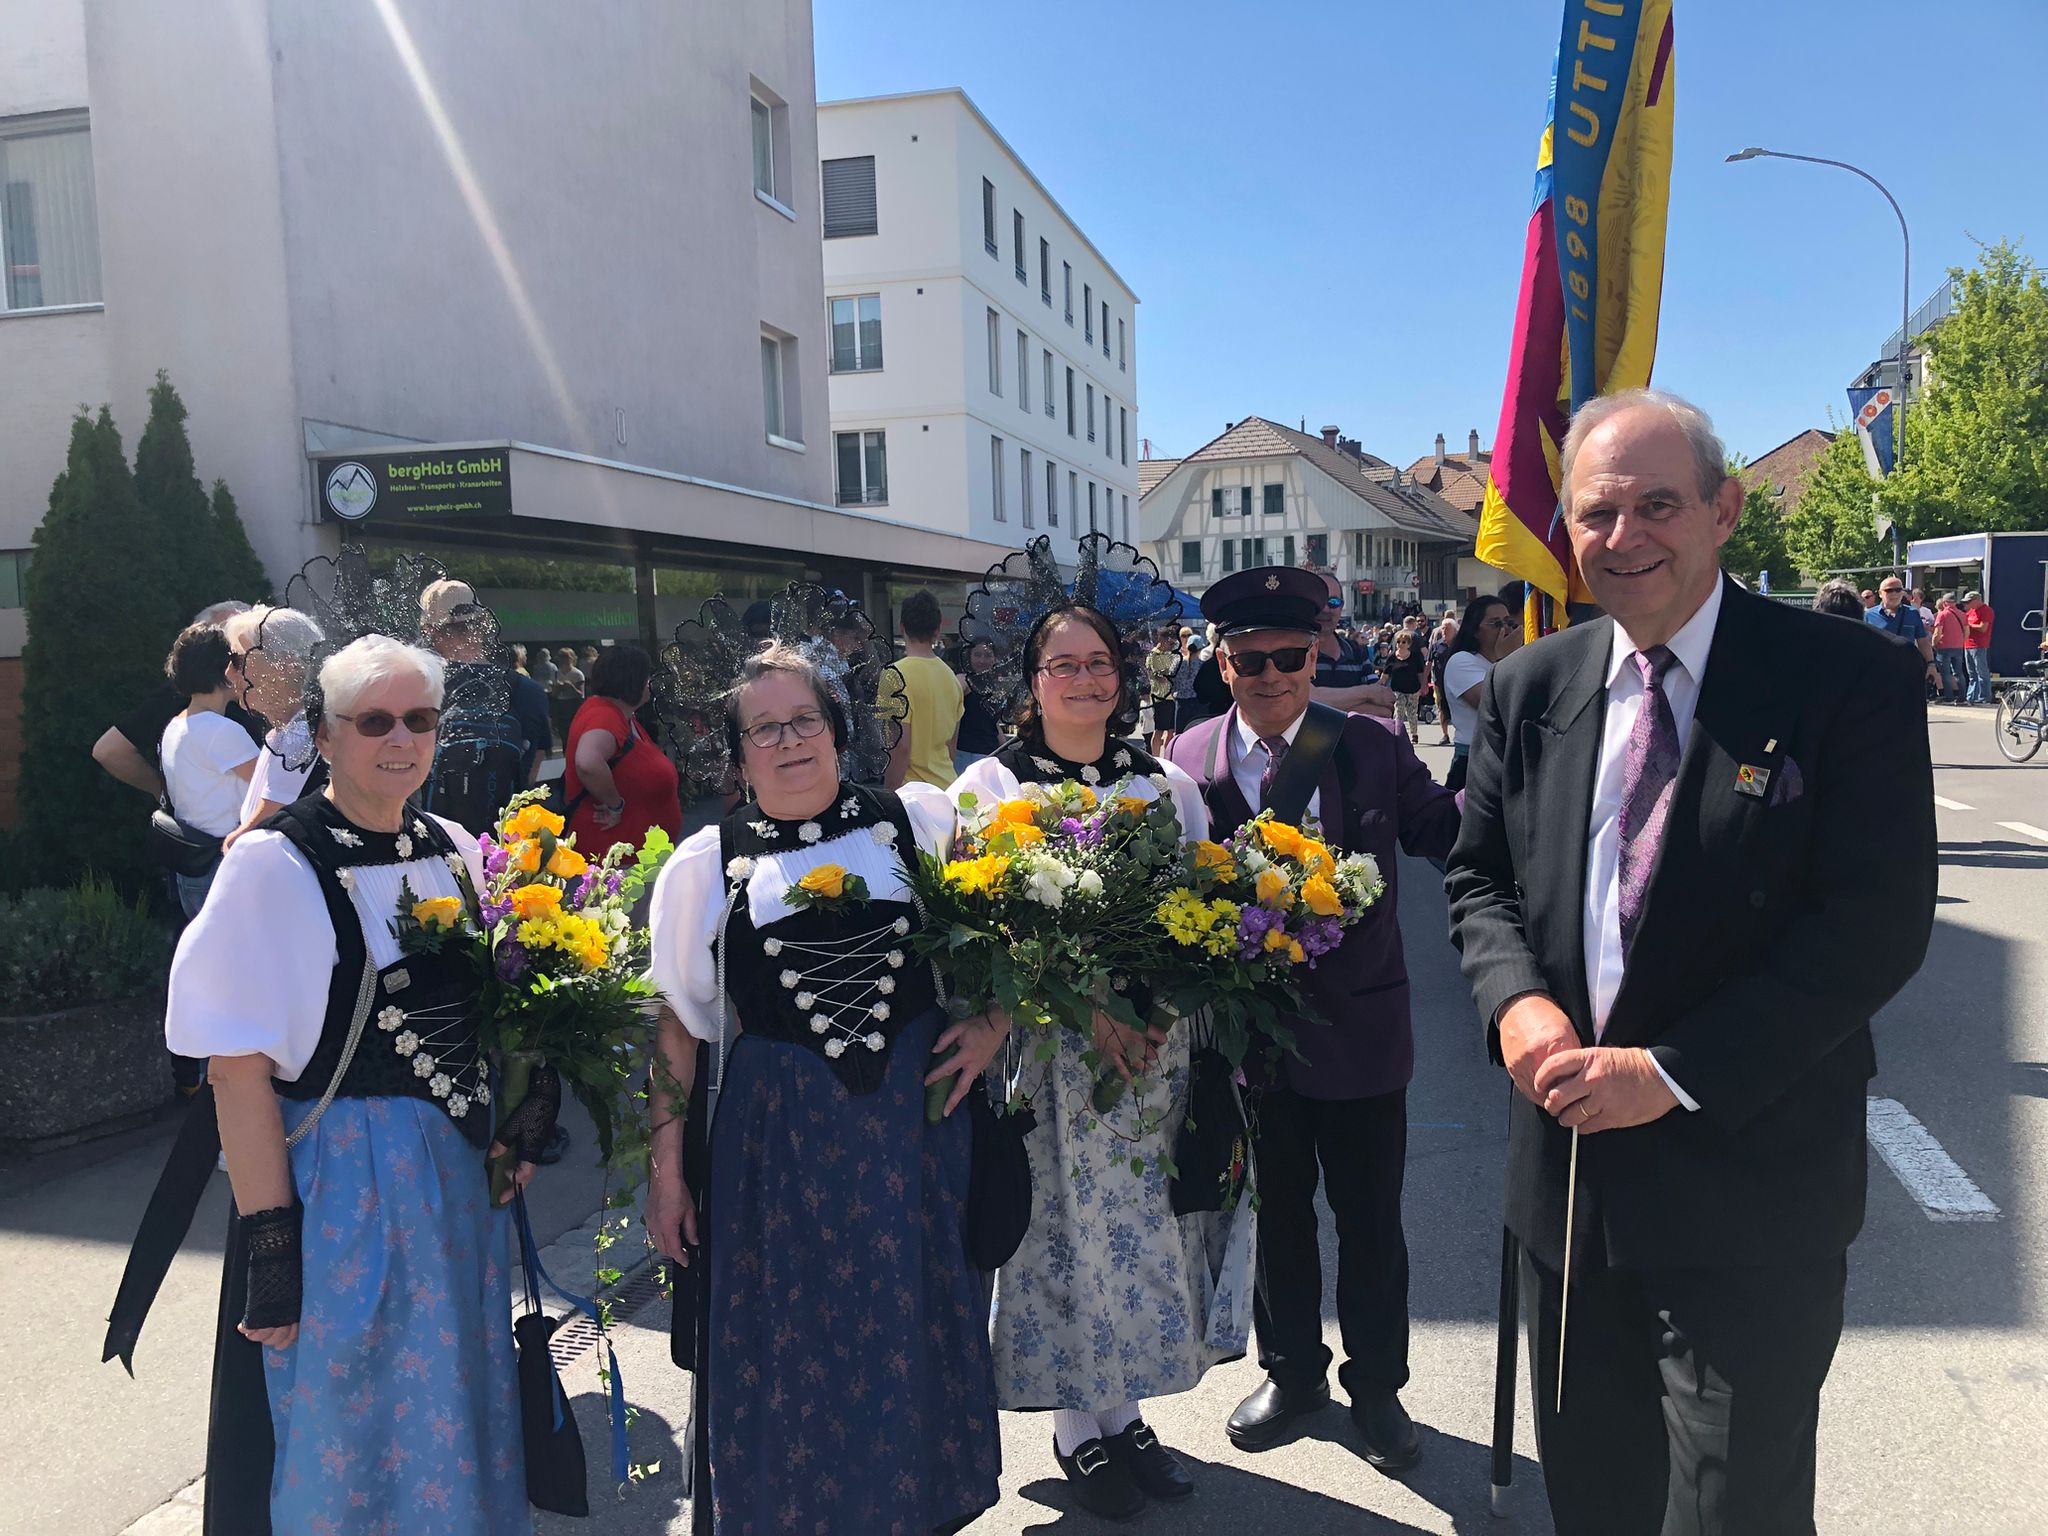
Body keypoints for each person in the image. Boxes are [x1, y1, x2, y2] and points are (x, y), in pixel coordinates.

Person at [1445, 387, 1935, 1536]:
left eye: (1655, 505)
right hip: (1568, 1190)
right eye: (1596, 514)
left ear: (1721, 511)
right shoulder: (1530, 688)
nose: (1623, 539)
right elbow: (1478, 881)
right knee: (1597, 1505)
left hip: (1749, 1188)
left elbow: (1873, 923)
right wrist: (1513, 1003)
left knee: (1735, 1514)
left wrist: (1666, 1073)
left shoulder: (1842, 682)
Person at [106, 633, 559, 1535]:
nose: (401, 739)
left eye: (419, 719)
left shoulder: (453, 847)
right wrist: (273, 1252)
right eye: (374, 721)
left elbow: (495, 1017)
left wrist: (526, 1114)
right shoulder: (275, 864)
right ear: (323, 731)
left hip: (453, 1195)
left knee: (452, 1408)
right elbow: (235, 1072)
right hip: (343, 1191)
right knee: (347, 1423)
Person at [643, 642, 1002, 1535]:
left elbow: (1000, 946)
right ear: (739, 754)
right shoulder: (703, 865)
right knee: (792, 1354)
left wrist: (994, 1024)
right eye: (763, 727)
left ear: (839, 732)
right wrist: (666, 1172)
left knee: (910, 1333)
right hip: (779, 1153)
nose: (789, 739)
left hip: (910, 1141)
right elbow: (679, 1029)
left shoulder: (919, 821)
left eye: (805, 719)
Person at [953, 536, 1248, 1519]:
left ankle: (1122, 1413)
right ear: (1030, 682)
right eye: (1062, 665)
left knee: (1139, 1238)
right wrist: (1083, 1008)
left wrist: (1157, 1012)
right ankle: (1077, 1426)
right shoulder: (988, 791)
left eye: (1098, 664)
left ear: (1124, 678)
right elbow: (978, 933)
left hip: (1149, 1059)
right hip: (1050, 1058)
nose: (1082, 679)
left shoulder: (1163, 787)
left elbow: (1203, 915)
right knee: (1060, 1241)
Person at [1166, 566, 1460, 1472]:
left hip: (1363, 1033)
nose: (1270, 675)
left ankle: (1378, 1385)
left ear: (1316, 653)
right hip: (1250, 1046)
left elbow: (1447, 833)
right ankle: (1293, 1372)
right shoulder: (1188, 758)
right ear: (1221, 662)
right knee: (1276, 1215)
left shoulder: (1367, 745)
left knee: (1371, 1218)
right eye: (1249, 659)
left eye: (1289, 656)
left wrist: (1529, 787)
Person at [419, 580, 552, 832]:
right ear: (482, 624)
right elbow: (533, 764)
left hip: (435, 840)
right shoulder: (527, 691)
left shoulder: (418, 688)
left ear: (429, 630)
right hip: (504, 851)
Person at [93, 600, 260, 800]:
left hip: (205, 821)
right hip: (235, 825)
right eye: (229, 643)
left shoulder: (178, 723)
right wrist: (164, 793)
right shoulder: (212, 721)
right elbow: (109, 750)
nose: (244, 651)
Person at [158, 625, 261, 916]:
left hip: (192, 867)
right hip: (223, 865)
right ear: (222, 669)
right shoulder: (222, 731)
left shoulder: (177, 724)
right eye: (238, 662)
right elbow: (272, 788)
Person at [220, 605, 327, 850]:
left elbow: (252, 834)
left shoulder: (303, 734)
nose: (228, 672)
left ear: (286, 665)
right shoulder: (288, 731)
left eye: (238, 660)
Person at [562, 642, 681, 862]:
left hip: (630, 863)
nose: (649, 684)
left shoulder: (619, 714)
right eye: (646, 678)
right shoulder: (605, 715)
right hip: (615, 866)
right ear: (632, 681)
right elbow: (588, 762)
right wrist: (616, 805)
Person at [878, 588, 964, 790]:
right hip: (947, 787)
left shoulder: (893, 675)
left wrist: (889, 795)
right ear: (937, 629)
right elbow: (952, 747)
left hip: (913, 793)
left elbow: (900, 745)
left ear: (902, 627)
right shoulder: (951, 678)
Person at [1441, 594, 1517, 792]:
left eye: (1508, 623)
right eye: (1495, 624)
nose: (1505, 629)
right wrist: (1503, 658)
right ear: (1475, 630)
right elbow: (1496, 705)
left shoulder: (1506, 662)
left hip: (1505, 758)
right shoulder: (1462, 661)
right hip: (1473, 760)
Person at [1310, 570, 1394, 715]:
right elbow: (1303, 703)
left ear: (1341, 607)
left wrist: (1324, 704)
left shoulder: (1356, 651)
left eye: (1333, 602)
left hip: (1357, 738)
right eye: (1319, 602)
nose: (1325, 609)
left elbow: (1385, 709)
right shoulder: (1295, 652)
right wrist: (1366, 693)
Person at [1866, 576, 1937, 696]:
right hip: (1878, 671)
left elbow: (1923, 641)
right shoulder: (1869, 615)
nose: (1894, 593)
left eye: (1898, 590)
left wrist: (1931, 664)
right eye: (1889, 590)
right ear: (1880, 593)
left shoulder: (1913, 613)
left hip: (1906, 670)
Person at [953, 638, 1002, 771]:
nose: (982, 660)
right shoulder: (964, 680)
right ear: (969, 656)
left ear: (995, 659)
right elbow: (948, 709)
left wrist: (1004, 749)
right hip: (965, 754)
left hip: (991, 754)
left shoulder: (994, 686)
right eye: (977, 654)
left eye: (987, 655)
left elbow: (993, 723)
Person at [1145, 625, 1185, 753]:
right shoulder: (1153, 654)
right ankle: (1156, 757)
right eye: (1169, 640)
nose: (1171, 643)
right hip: (1160, 697)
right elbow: (1155, 674)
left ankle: (1168, 755)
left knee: (1171, 730)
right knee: (1159, 730)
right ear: (1161, 639)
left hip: (1172, 696)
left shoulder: (1171, 654)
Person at [1384, 628, 1427, 745]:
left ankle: (1414, 733)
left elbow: (1420, 674)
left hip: (1413, 689)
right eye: (1398, 642)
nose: (1400, 644)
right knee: (1399, 711)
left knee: (1412, 713)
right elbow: (1385, 675)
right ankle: (1398, 734)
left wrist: (1423, 686)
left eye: (1403, 642)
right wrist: (1378, 686)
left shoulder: (1415, 657)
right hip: (1397, 689)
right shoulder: (1392, 657)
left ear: (1409, 644)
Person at [1932, 595, 1969, 703]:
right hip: (1958, 646)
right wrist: (1961, 642)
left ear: (1944, 603)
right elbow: (1967, 632)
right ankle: (1962, 696)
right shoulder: (1962, 614)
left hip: (1944, 646)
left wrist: (1934, 644)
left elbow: (1937, 632)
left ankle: (1949, 696)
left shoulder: (1942, 614)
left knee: (1945, 673)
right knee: (1958, 672)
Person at [1427, 619, 1456, 746]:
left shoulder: (1460, 645)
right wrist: (1424, 682)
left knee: (1457, 707)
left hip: (1457, 682)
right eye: (1442, 628)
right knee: (1441, 708)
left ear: (1454, 631)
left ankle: (1459, 733)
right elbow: (1428, 664)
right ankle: (1445, 735)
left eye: (1447, 628)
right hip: (1439, 683)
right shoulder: (1436, 645)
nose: (1443, 631)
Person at [1962, 590, 1995, 703]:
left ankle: (1984, 697)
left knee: (1981, 672)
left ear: (1977, 600)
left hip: (1979, 645)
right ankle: (1971, 697)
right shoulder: (1970, 611)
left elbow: (1983, 628)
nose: (1967, 604)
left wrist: (1968, 625)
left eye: (1969, 602)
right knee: (1971, 673)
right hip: (1968, 644)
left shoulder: (1986, 611)